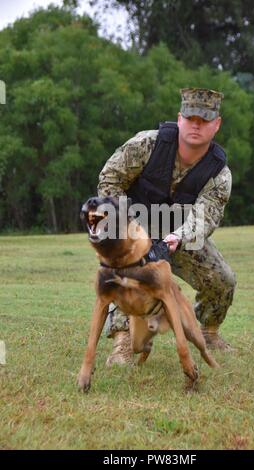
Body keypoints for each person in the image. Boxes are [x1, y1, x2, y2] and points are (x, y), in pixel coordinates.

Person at [97, 88, 237, 365]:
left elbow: (205, 217)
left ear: (217, 124)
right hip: (132, 230)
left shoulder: (218, 173)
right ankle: (123, 341)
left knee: (222, 280)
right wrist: (132, 227)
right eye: (191, 117)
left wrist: (178, 237)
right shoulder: (146, 145)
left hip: (177, 235)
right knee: (124, 274)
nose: (196, 124)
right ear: (180, 118)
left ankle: (206, 331)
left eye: (205, 120)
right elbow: (109, 181)